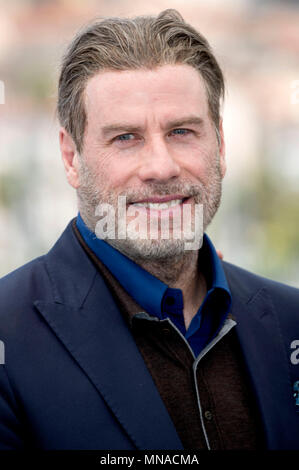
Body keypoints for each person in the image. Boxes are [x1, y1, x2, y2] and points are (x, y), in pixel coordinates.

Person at [0, 9, 298, 451]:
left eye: (181, 131)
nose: (161, 166)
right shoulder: (9, 337)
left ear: (220, 142)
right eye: (125, 137)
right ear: (70, 158)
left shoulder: (290, 318)